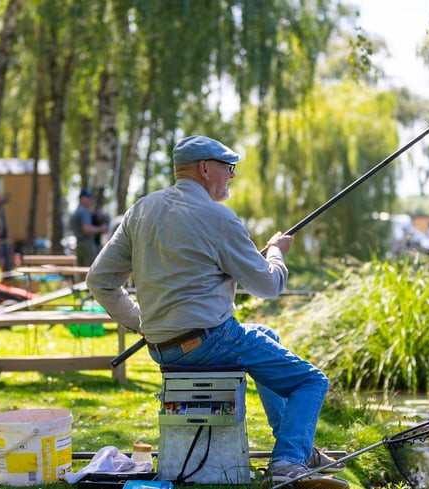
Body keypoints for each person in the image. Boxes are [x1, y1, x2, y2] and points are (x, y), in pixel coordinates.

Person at [87, 135, 345, 484]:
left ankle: (300, 447)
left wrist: (143, 323)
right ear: (206, 168)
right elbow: (269, 285)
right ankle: (287, 463)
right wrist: (275, 251)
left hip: (163, 348)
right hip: (212, 341)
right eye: (229, 168)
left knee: (267, 335)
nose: (232, 176)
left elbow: (100, 280)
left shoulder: (141, 210)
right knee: (311, 380)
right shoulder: (218, 218)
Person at [70, 189, 108, 266]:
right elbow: (86, 229)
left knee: (81, 269)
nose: (90, 200)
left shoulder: (76, 211)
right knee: (89, 269)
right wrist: (101, 229)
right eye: (88, 198)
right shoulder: (83, 211)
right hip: (86, 245)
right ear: (83, 198)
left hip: (79, 244)